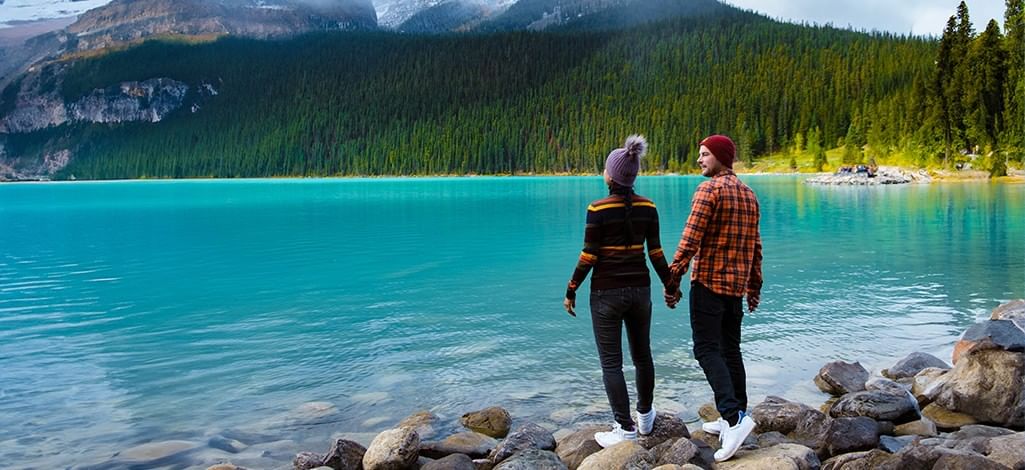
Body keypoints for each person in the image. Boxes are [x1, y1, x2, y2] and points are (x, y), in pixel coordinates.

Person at [563, 135, 676, 448]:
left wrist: (571, 288)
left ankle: (625, 427)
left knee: (611, 364)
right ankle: (645, 416)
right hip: (641, 291)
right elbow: (655, 253)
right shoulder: (648, 206)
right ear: (634, 176)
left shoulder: (597, 208)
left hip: (606, 295)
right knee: (643, 356)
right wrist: (670, 284)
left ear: (610, 176)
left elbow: (589, 255)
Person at [664, 134, 762, 462]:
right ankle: (734, 416)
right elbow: (755, 247)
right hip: (734, 288)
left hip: (708, 284)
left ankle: (733, 418)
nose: (699, 159)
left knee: (706, 350)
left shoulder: (709, 190)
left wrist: (672, 277)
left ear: (720, 157)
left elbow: (691, 238)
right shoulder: (749, 194)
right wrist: (754, 286)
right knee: (730, 349)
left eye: (704, 154)